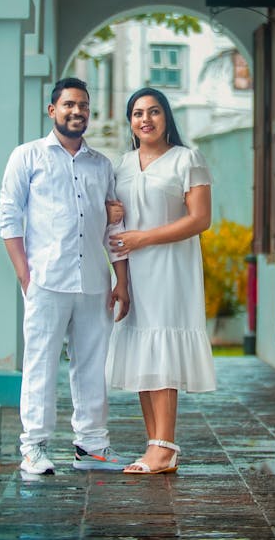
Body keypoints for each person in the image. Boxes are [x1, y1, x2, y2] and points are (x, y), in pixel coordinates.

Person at [0, 77, 131, 475]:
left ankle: (91, 445)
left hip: (93, 281)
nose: (77, 112)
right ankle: (34, 447)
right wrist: (25, 275)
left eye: (84, 106)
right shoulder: (28, 156)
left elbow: (113, 230)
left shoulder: (102, 165)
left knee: (92, 365)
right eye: (69, 104)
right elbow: (8, 216)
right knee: (39, 363)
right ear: (52, 110)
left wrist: (121, 280)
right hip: (47, 281)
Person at [106, 87, 216, 475]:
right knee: (142, 351)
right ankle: (156, 446)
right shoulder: (119, 165)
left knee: (163, 347)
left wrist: (143, 238)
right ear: (130, 122)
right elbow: (115, 225)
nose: (146, 119)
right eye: (137, 113)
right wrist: (120, 275)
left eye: (154, 111)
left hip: (171, 268)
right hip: (134, 271)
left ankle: (164, 445)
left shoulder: (187, 160)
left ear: (167, 117)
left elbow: (200, 219)